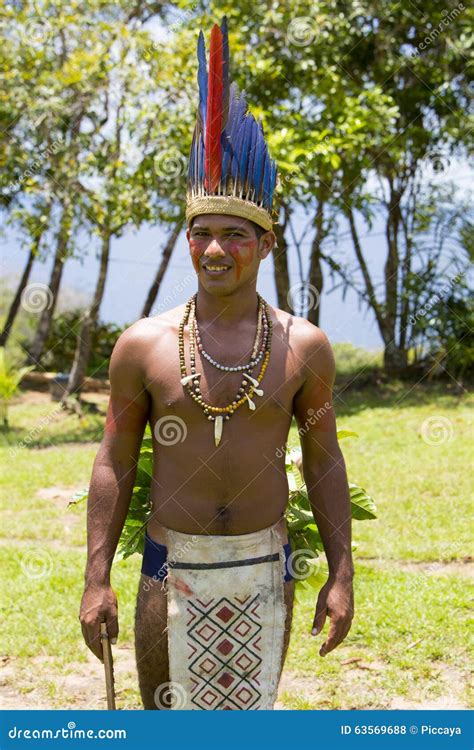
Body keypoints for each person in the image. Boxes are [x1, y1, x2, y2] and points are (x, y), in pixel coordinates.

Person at [79, 17, 354, 710]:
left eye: (235, 234)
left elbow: (322, 457)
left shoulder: (304, 346)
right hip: (170, 566)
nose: (214, 249)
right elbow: (114, 457)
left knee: (250, 724)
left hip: (268, 565)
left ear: (266, 244)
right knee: (166, 721)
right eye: (201, 233)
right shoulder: (144, 345)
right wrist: (95, 577)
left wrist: (342, 575)